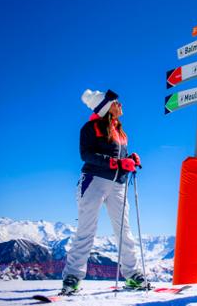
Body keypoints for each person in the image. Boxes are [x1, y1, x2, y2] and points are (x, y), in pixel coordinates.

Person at [60, 89, 148, 295]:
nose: (120, 105)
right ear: (107, 107)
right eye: (116, 102)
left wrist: (131, 159)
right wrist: (117, 163)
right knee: (86, 229)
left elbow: (120, 158)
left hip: (118, 185)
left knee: (124, 230)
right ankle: (72, 277)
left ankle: (133, 274)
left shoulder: (121, 132)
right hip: (94, 182)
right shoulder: (90, 128)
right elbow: (86, 155)